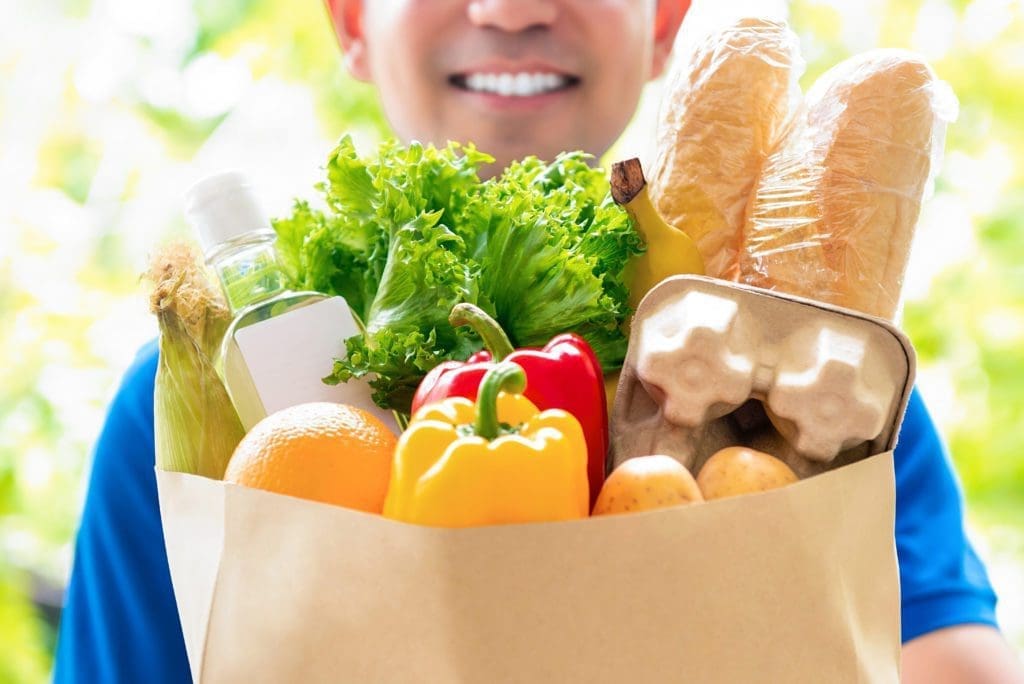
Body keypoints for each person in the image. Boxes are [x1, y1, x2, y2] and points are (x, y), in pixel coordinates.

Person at [54, 1, 1022, 682]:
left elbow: (950, 658)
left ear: (662, 20)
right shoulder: (209, 396)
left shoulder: (804, 382)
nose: (511, 8)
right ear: (353, 21)